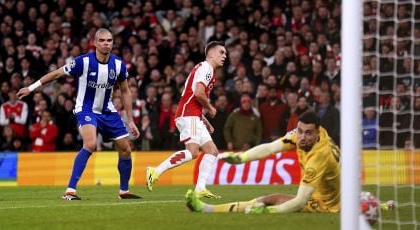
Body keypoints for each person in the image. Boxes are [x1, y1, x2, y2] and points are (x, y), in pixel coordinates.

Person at [17, 28, 141, 200]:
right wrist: (30, 88)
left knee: (126, 149)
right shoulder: (83, 62)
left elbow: (126, 91)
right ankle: (70, 191)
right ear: (95, 43)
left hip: (107, 110)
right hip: (86, 109)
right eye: (103, 41)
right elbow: (57, 73)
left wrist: (131, 120)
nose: (106, 44)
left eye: (110, 41)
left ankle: (124, 191)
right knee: (90, 144)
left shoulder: (119, 65)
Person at [187, 110, 341, 213]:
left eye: (308, 133)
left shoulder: (319, 157)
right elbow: (270, 148)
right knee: (268, 199)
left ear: (317, 133)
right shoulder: (305, 135)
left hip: (325, 205)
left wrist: (269, 212)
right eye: (300, 131)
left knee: (269, 201)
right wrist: (242, 157)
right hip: (324, 194)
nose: (302, 137)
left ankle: (206, 209)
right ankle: (207, 208)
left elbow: (301, 201)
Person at [146, 41, 227, 198]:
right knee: (193, 152)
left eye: (225, 53)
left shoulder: (202, 68)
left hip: (192, 114)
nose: (224, 56)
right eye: (221, 52)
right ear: (210, 54)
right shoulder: (207, 69)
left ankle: (200, 188)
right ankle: (155, 171)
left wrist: (206, 121)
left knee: (212, 151)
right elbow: (198, 93)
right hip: (188, 115)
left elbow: (191, 98)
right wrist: (210, 108)